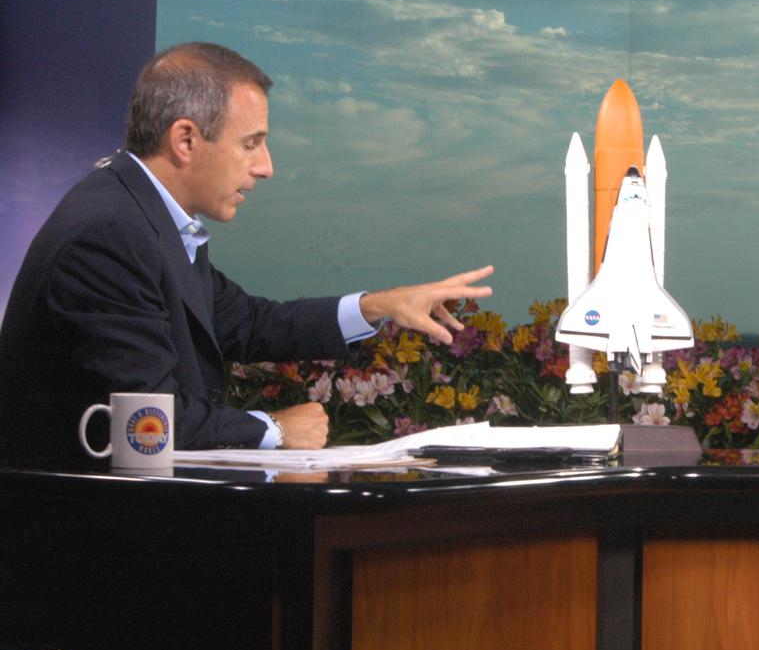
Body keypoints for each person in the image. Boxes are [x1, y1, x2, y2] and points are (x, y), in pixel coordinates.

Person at [0, 42, 494, 463]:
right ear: (186, 140)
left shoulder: (140, 213)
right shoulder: (110, 234)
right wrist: (276, 430)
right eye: (252, 143)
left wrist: (379, 307)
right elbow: (148, 421)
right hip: (78, 543)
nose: (266, 167)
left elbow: (249, 323)